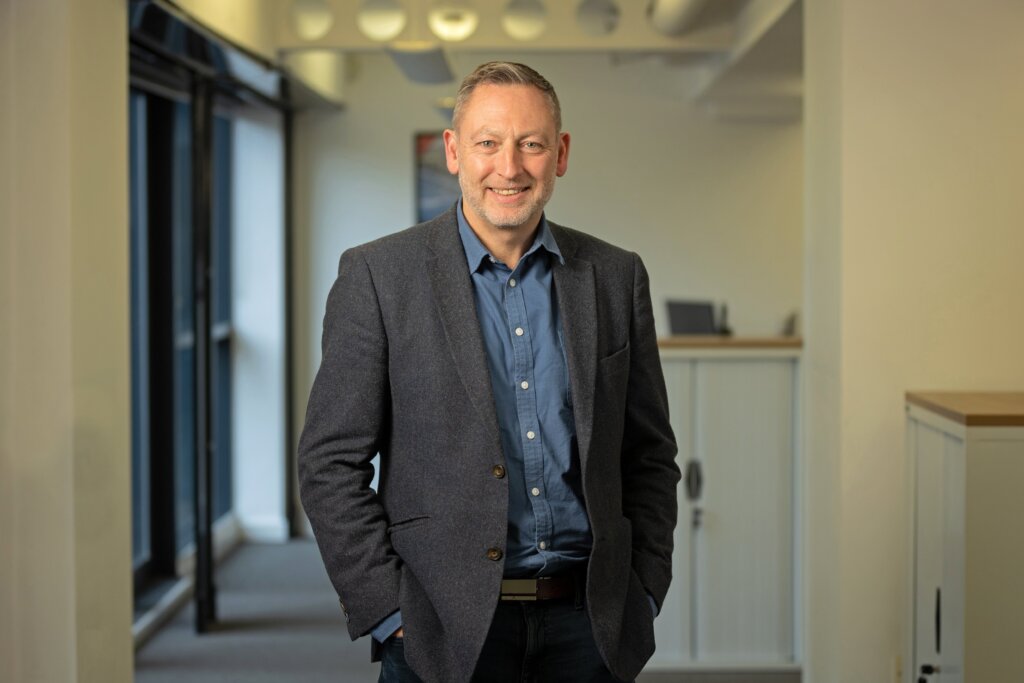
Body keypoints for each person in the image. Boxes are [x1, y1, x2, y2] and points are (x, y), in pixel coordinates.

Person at [298, 61, 679, 683]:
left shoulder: (615, 277)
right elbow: (328, 461)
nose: (510, 167)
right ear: (453, 151)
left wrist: (645, 589)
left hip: (592, 623)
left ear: (560, 154)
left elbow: (649, 454)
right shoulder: (378, 277)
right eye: (487, 143)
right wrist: (388, 611)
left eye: (531, 144)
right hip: (440, 626)